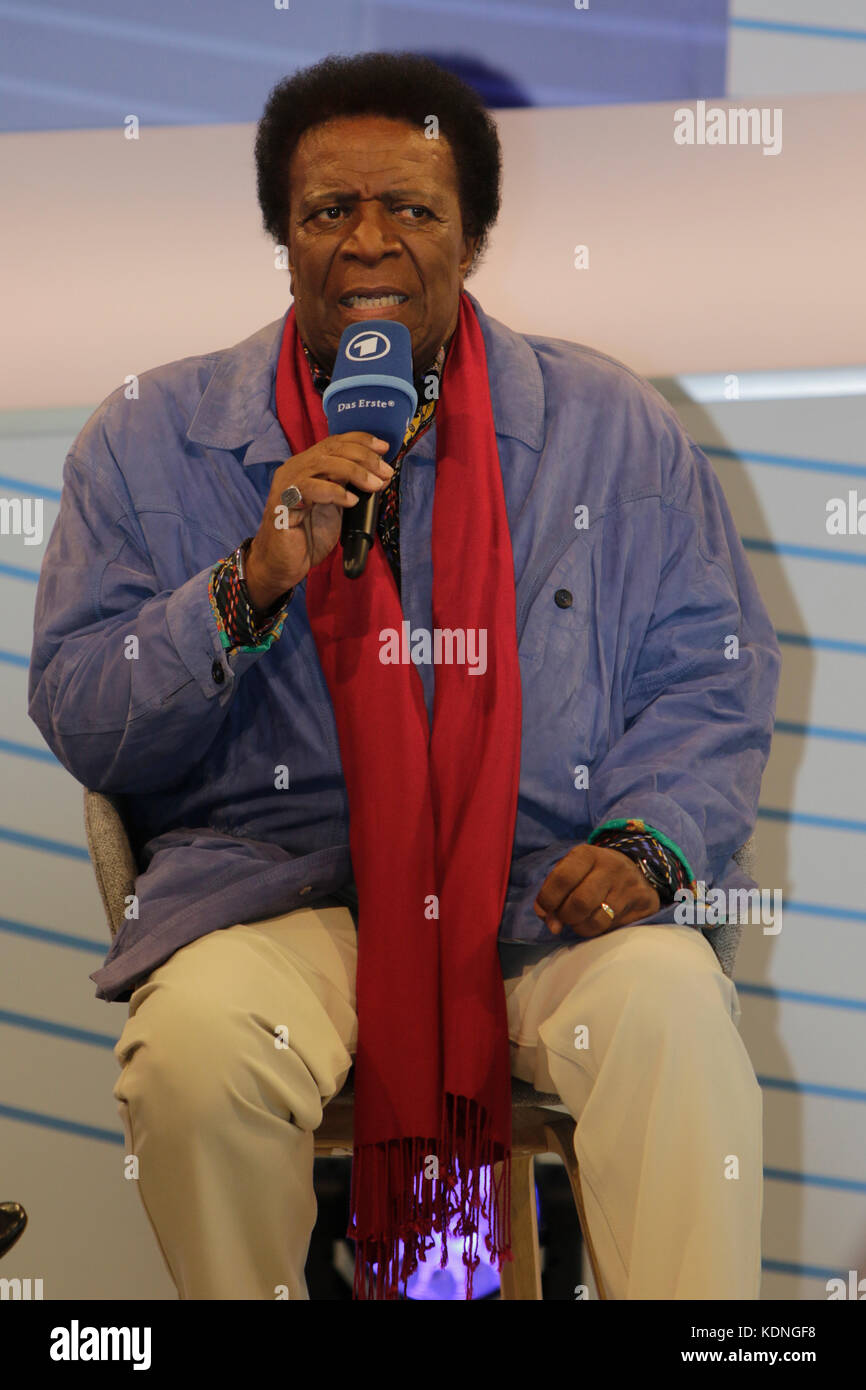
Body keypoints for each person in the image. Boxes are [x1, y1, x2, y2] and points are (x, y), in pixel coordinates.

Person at [28, 51, 781, 1301]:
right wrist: (247, 583)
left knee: (668, 1017)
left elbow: (709, 677)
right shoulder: (147, 436)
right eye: (330, 211)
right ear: (282, 236)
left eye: (412, 210)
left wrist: (648, 842)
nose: (368, 241)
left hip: (544, 902)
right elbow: (88, 718)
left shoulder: (612, 426)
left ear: (471, 237)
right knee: (196, 1053)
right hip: (279, 897)